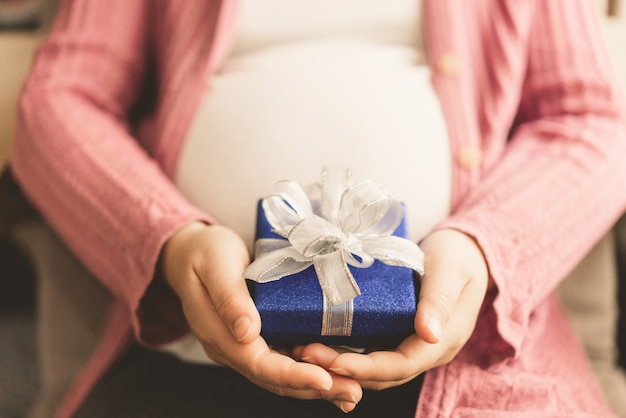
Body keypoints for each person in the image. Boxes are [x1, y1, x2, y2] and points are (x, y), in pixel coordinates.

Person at [10, 0, 626, 416]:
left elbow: (592, 120)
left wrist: (483, 248)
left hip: (468, 368)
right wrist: (169, 240)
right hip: (187, 359)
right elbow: (58, 101)